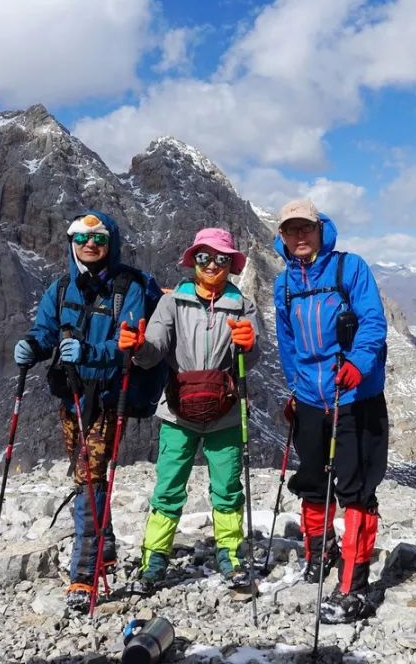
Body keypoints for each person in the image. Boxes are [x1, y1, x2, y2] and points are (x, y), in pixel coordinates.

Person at [13, 211, 162, 613]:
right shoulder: (61, 288)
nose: (90, 244)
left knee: (90, 479)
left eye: (98, 238)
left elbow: (129, 342)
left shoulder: (128, 288)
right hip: (72, 398)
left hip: (110, 397)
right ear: (72, 243)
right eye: (81, 238)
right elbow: (46, 331)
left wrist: (90, 352)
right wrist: (32, 346)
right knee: (86, 478)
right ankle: (105, 546)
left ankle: (84, 574)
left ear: (111, 243)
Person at [118, 228, 260, 590]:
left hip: (223, 413)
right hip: (180, 413)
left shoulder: (243, 306)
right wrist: (138, 347)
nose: (212, 264)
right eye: (204, 257)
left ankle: (230, 553)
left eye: (220, 258)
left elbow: (250, 360)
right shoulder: (172, 303)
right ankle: (154, 558)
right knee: (169, 487)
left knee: (227, 487)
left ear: (231, 263)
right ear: (192, 260)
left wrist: (249, 346)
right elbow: (152, 353)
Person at [272, 198, 390, 624]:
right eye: (291, 229)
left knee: (356, 487)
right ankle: (319, 552)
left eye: (306, 227)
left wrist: (358, 363)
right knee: (312, 479)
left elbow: (373, 321)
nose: (300, 235)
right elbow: (287, 341)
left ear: (321, 229)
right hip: (310, 398)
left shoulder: (349, 268)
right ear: (283, 237)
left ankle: (353, 584)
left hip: (354, 397)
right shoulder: (284, 284)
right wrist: (296, 386)